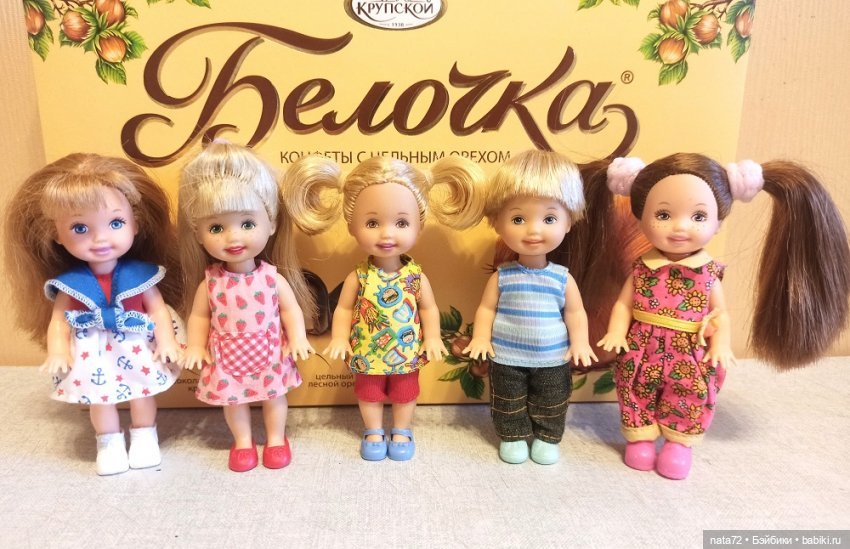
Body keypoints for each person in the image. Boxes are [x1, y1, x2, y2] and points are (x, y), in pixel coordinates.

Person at [592, 153, 850, 479]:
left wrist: (721, 345)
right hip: (642, 346)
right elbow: (623, 305)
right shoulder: (642, 269)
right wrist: (617, 332)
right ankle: (640, 438)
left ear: (718, 223)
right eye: (663, 215)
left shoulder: (707, 273)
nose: (680, 226)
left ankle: (678, 444)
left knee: (689, 393)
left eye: (698, 216)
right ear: (641, 217)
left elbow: (720, 314)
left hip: (690, 350)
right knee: (634, 387)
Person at [283, 154, 485, 461]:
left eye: (401, 223)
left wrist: (432, 338)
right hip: (367, 351)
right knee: (369, 392)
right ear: (352, 226)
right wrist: (340, 338)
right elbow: (343, 310)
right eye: (372, 223)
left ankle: (402, 430)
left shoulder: (416, 277)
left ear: (419, 225)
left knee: (405, 392)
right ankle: (373, 430)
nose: (387, 233)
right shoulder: (359, 276)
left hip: (406, 351)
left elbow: (428, 309)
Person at [4, 153, 183, 475]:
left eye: (116, 223)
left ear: (135, 223)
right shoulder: (72, 284)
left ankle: (145, 436)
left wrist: (167, 341)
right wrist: (58, 351)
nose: (100, 238)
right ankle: (109, 442)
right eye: (80, 228)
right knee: (100, 399)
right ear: (56, 234)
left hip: (135, 344)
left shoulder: (141, 276)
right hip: (93, 349)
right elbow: (59, 322)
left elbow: (157, 309)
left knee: (142, 393)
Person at [178, 141, 315, 472]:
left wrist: (297, 337)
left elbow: (290, 311)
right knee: (233, 401)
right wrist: (195, 345)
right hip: (226, 355)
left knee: (274, 397)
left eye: (247, 224)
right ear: (198, 234)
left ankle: (276, 439)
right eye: (216, 228)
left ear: (271, 224)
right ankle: (242, 441)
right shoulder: (211, 282)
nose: (233, 238)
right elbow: (199, 316)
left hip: (270, 351)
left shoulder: (271, 278)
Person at [463, 149, 597, 465]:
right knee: (507, 400)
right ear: (497, 223)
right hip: (506, 356)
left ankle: (547, 437)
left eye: (549, 218)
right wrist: (480, 337)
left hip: (552, 357)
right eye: (518, 219)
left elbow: (575, 313)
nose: (533, 230)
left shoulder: (561, 278)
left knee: (551, 400)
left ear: (569, 221)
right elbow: (486, 310)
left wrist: (580, 342)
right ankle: (512, 436)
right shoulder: (502, 276)